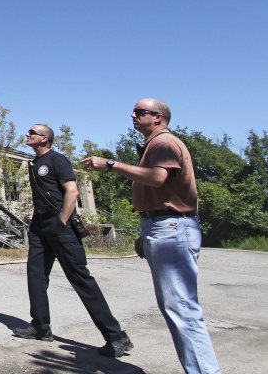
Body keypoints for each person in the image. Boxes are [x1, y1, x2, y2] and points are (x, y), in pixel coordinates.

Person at [82, 99, 221, 374]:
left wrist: (110, 164)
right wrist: (145, 232)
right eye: (134, 111)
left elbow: (157, 178)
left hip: (172, 228)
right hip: (162, 226)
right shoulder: (154, 145)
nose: (133, 115)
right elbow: (159, 190)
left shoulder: (164, 143)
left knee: (181, 308)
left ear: (158, 117)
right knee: (176, 307)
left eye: (140, 112)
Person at [14, 123, 133, 358]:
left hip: (61, 225)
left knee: (80, 278)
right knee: (36, 274)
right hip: (39, 225)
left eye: (32, 132)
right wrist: (37, 221)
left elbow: (72, 191)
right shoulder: (34, 162)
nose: (27, 135)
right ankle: (40, 325)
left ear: (45, 139)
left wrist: (61, 221)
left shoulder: (57, 160)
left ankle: (116, 337)